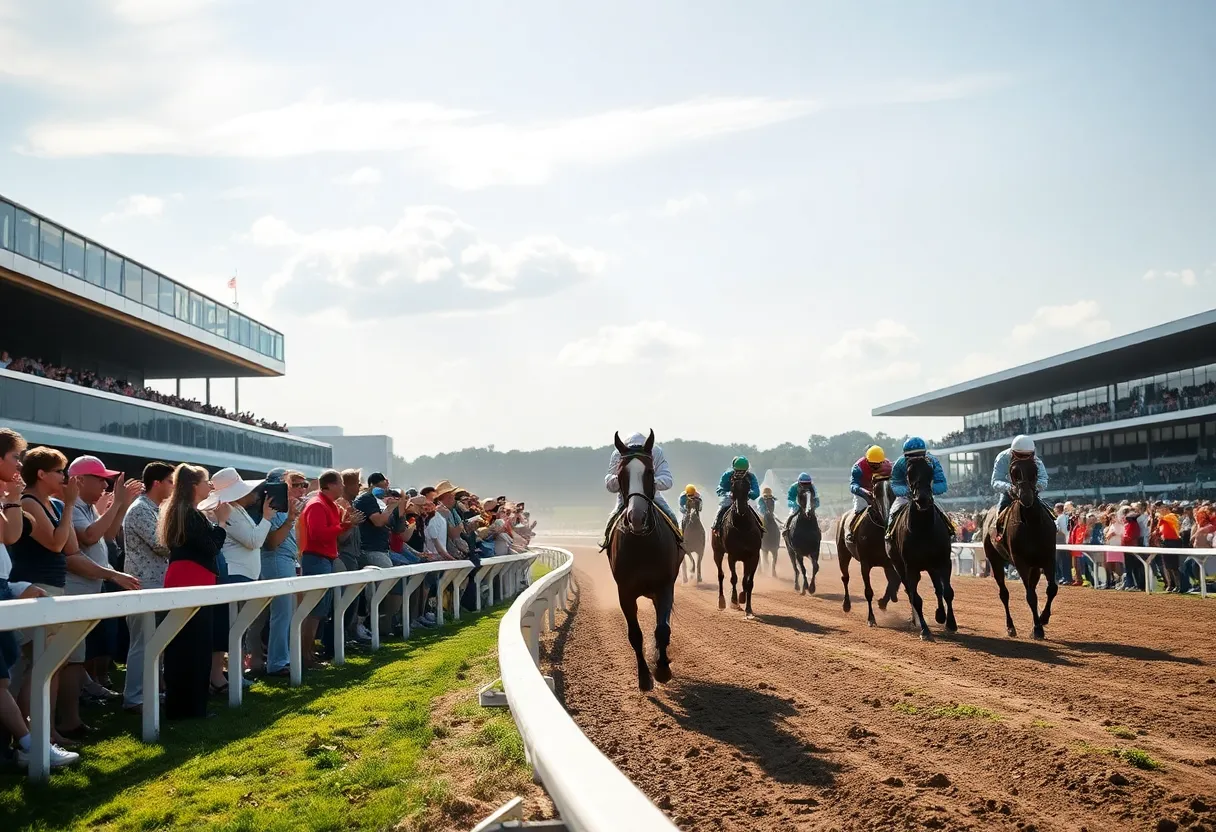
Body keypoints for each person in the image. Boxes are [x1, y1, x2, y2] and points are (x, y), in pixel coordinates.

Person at [158, 464, 226, 720]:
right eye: (206, 481)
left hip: (190, 578)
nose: (209, 486)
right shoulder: (188, 513)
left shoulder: (184, 511)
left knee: (187, 646)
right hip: (192, 579)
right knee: (193, 647)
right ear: (194, 486)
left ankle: (186, 706)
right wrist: (220, 523)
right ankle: (191, 709)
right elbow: (211, 547)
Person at [201, 467, 272, 694]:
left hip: (242, 574)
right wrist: (268, 518)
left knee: (235, 629)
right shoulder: (227, 510)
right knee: (231, 629)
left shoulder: (235, 508)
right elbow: (253, 540)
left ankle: (232, 674)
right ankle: (228, 675)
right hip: (233, 575)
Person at [121, 461, 175, 713]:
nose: (173, 486)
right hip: (143, 584)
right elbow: (161, 544)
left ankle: (150, 691)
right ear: (157, 483)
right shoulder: (141, 510)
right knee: (142, 643)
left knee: (155, 643)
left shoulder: (155, 509)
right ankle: (134, 697)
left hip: (156, 583)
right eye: (170, 481)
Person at [297, 470, 361, 668]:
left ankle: (309, 653)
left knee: (321, 609)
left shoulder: (329, 505)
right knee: (315, 609)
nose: (343, 486)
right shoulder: (317, 505)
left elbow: (335, 535)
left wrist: (346, 525)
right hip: (316, 559)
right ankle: (305, 657)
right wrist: (344, 526)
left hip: (325, 559)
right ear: (330, 485)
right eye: (340, 483)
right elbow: (317, 535)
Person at [252, 469, 307, 677]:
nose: (301, 489)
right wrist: (291, 519)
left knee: (285, 613)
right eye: (295, 484)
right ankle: (277, 662)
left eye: (304, 485)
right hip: (275, 561)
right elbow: (272, 543)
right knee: (281, 614)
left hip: (286, 561)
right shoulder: (274, 506)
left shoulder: (286, 508)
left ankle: (280, 658)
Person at [601, 431, 678, 547]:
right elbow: (609, 482)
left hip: (651, 497)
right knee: (610, 522)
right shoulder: (618, 454)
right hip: (625, 499)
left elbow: (668, 480)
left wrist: (648, 482)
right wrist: (623, 481)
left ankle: (680, 544)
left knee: (672, 518)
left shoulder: (656, 451)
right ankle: (607, 544)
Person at [989, 436, 1050, 543]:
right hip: (1010, 492)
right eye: (1020, 455)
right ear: (1013, 452)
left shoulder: (1035, 460)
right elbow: (995, 481)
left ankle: (1053, 528)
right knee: (1001, 509)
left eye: (1027, 456)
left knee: (1048, 512)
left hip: (1029, 492)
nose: (1023, 458)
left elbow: (1044, 479)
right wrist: (1009, 487)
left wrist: (1032, 487)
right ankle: (998, 534)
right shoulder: (1003, 457)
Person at [886, 437, 949, 538]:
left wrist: (927, 490)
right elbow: (895, 484)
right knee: (893, 512)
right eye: (911, 456)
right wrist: (908, 491)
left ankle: (950, 531)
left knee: (942, 513)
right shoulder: (900, 463)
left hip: (927, 494)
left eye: (919, 455)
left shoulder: (932, 461)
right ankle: (889, 533)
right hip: (905, 497)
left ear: (924, 454)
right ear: (905, 455)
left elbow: (942, 483)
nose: (915, 459)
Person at [846, 446, 892, 543]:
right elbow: (853, 485)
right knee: (859, 508)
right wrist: (864, 491)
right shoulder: (858, 467)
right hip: (863, 493)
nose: (875, 468)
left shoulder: (889, 465)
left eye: (878, 465)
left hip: (882, 492)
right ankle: (852, 531)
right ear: (867, 460)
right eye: (872, 465)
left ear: (883, 461)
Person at [712, 457, 760, 536]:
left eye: (743, 471)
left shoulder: (751, 477)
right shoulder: (727, 475)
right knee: (721, 509)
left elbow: (756, 492)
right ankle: (716, 527)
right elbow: (720, 489)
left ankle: (760, 529)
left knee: (757, 513)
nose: (741, 473)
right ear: (734, 468)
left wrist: (748, 493)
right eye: (738, 471)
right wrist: (728, 494)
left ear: (747, 469)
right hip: (729, 498)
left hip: (745, 499)